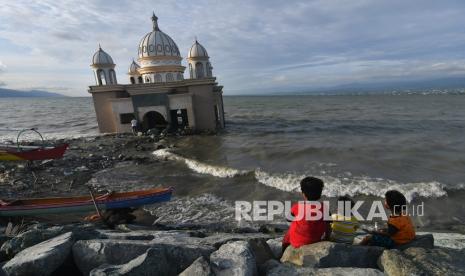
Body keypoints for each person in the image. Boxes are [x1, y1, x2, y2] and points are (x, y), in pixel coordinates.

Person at [282, 177, 330, 252]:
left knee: (287, 236)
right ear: (320, 193)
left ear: (303, 193)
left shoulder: (297, 206)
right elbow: (328, 225)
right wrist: (327, 238)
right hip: (315, 240)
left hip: (296, 242)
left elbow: (288, 219)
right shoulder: (324, 208)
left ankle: (283, 254)